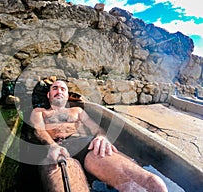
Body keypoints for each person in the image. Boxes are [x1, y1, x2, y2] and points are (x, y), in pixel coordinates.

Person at [30, 80, 168, 192]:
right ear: (48, 95)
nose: (59, 91)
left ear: (67, 96)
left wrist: (102, 137)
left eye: (63, 89)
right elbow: (39, 130)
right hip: (54, 147)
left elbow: (97, 129)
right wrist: (52, 146)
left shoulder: (77, 111)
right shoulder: (40, 111)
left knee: (152, 184)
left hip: (82, 144)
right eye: (55, 88)